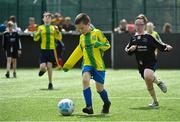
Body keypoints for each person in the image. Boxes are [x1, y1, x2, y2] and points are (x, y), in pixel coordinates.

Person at [63, 13, 111, 114]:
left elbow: (107, 45)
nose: (80, 31)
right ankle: (89, 107)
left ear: (88, 24)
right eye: (78, 29)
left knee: (99, 89)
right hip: (87, 64)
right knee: (85, 80)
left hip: (98, 66)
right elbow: (78, 51)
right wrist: (68, 64)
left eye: (82, 28)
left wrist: (99, 45)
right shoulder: (82, 38)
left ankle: (106, 103)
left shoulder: (97, 33)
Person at [125, 15, 173, 108]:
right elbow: (127, 50)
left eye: (140, 24)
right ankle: (155, 100)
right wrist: (130, 49)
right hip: (140, 64)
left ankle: (158, 83)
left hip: (151, 61)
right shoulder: (133, 38)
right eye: (136, 24)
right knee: (148, 81)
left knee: (148, 75)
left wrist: (167, 48)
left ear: (144, 25)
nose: (138, 26)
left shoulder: (149, 37)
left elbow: (159, 45)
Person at [34, 12, 62, 90]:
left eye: (49, 17)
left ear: (50, 19)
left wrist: (57, 31)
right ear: (43, 19)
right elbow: (35, 39)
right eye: (45, 16)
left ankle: (50, 83)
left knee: (49, 67)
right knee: (43, 67)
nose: (47, 18)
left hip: (51, 50)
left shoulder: (54, 27)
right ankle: (42, 70)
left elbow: (59, 38)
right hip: (43, 50)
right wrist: (38, 33)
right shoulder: (40, 28)